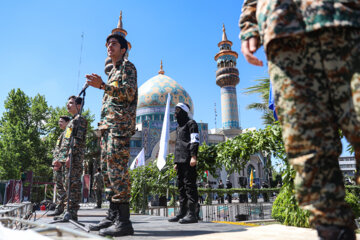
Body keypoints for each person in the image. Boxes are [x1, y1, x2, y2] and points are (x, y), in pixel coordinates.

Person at [239, 1, 360, 239]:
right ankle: (333, 229)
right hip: (285, 36)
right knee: (307, 143)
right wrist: (249, 27)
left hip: (343, 22)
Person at [86, 33, 137, 237]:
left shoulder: (128, 67)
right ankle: (112, 216)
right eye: (108, 44)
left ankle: (124, 222)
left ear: (123, 49)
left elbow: (129, 93)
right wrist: (101, 131)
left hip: (119, 128)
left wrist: (103, 86)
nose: (109, 46)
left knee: (118, 173)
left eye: (114, 43)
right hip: (108, 130)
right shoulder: (112, 72)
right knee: (108, 174)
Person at [54, 96, 87, 221]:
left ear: (79, 106)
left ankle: (72, 213)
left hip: (74, 158)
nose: (68, 105)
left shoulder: (80, 120)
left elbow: (77, 141)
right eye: (67, 103)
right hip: (67, 159)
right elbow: (67, 142)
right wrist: (61, 159)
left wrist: (69, 156)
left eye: (71, 103)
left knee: (73, 185)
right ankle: (67, 212)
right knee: (68, 185)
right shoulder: (72, 122)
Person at [168, 103, 200, 224]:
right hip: (180, 161)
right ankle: (182, 212)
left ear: (184, 111)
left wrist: (193, 156)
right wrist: (176, 162)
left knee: (190, 187)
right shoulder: (178, 127)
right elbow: (178, 145)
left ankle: (192, 214)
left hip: (188, 160)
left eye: (177, 110)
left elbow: (194, 141)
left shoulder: (191, 124)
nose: (175, 113)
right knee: (181, 187)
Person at [48, 116, 70, 217]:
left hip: (63, 163)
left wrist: (60, 162)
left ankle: (65, 209)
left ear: (67, 122)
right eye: (59, 121)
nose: (59, 123)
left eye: (61, 121)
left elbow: (66, 148)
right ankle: (59, 208)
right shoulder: (61, 134)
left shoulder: (69, 132)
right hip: (57, 164)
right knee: (60, 187)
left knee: (65, 187)